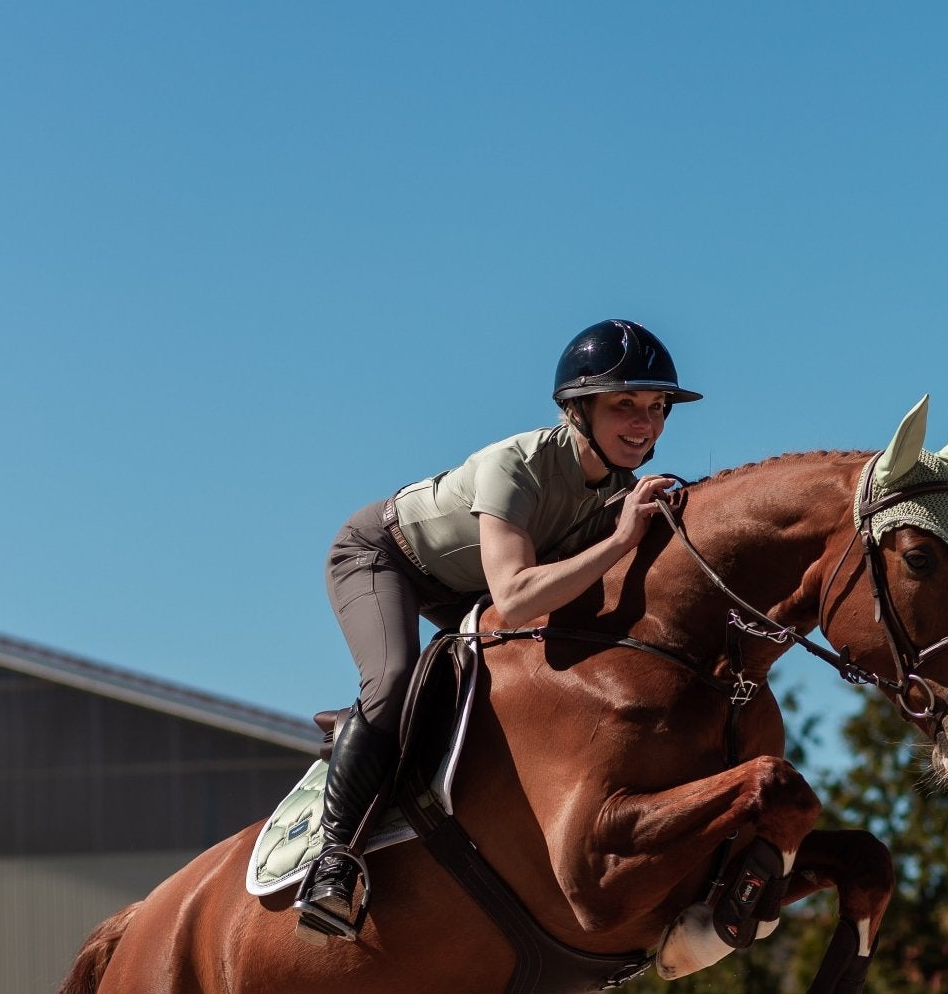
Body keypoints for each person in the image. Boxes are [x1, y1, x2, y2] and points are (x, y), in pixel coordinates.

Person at [296, 319, 703, 938]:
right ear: (578, 408)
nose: (644, 423)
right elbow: (513, 598)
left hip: (471, 583)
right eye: (624, 405)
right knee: (396, 674)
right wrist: (623, 539)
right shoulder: (517, 464)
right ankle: (333, 865)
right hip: (385, 558)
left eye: (656, 407)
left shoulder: (622, 488)